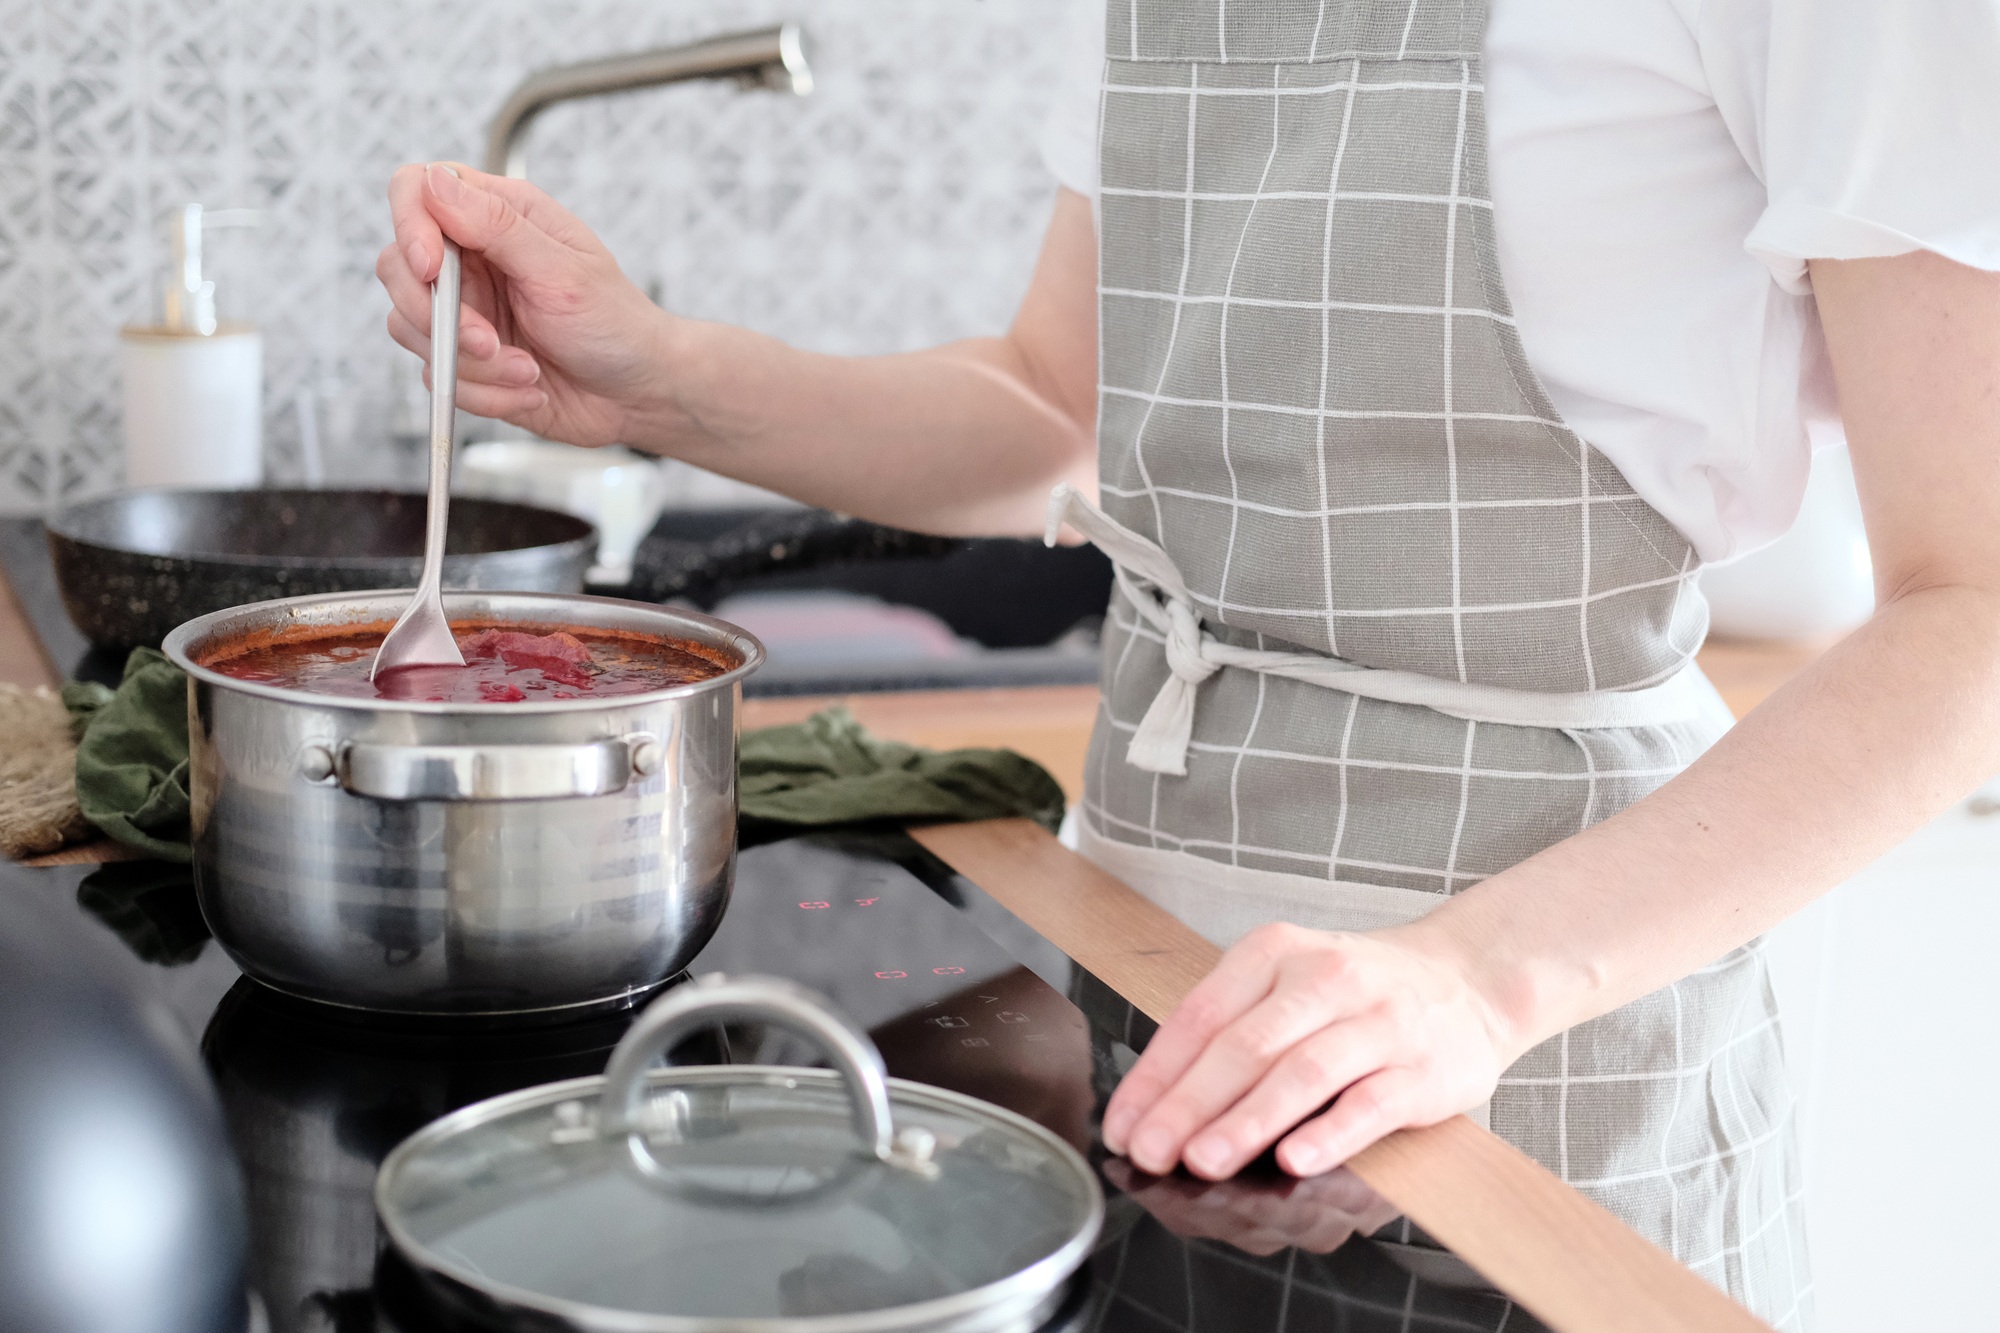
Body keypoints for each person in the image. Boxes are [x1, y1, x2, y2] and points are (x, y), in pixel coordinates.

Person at [378, 2, 2000, 1325]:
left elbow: (1976, 610)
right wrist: (660, 375)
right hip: (1149, 1005)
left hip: (1545, 1068)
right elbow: (1054, 412)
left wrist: (1471, 979)